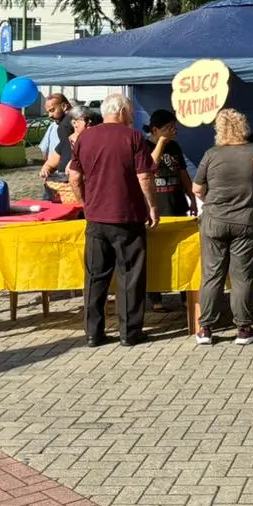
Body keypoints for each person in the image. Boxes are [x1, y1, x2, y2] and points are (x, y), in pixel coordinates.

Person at [68, 93, 159, 348]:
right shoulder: (133, 137)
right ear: (121, 112)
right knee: (130, 275)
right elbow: (144, 177)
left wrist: (85, 203)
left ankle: (93, 333)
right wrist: (153, 207)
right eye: (129, 111)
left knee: (95, 276)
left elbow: (74, 176)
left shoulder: (85, 137)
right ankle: (129, 332)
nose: (131, 116)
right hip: (127, 216)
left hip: (96, 217)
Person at [192, 109, 253, 346]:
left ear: (219, 130)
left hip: (214, 219)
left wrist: (212, 198)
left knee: (212, 275)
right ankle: (243, 329)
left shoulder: (211, 154)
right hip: (245, 220)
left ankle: (205, 329)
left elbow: (197, 188)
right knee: (242, 277)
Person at [146, 109, 197, 311]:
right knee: (156, 255)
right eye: (167, 128)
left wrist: (192, 198)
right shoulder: (144, 146)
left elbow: (183, 173)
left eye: (174, 127)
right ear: (155, 129)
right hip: (156, 208)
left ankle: (185, 295)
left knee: (182, 253)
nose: (172, 131)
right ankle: (155, 298)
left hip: (176, 204)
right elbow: (149, 166)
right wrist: (161, 142)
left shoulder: (174, 146)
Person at [40, 94, 74, 197]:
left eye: (52, 110)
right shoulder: (62, 126)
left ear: (64, 106)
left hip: (72, 181)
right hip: (64, 180)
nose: (50, 115)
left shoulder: (66, 124)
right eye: (48, 112)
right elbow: (63, 148)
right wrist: (47, 166)